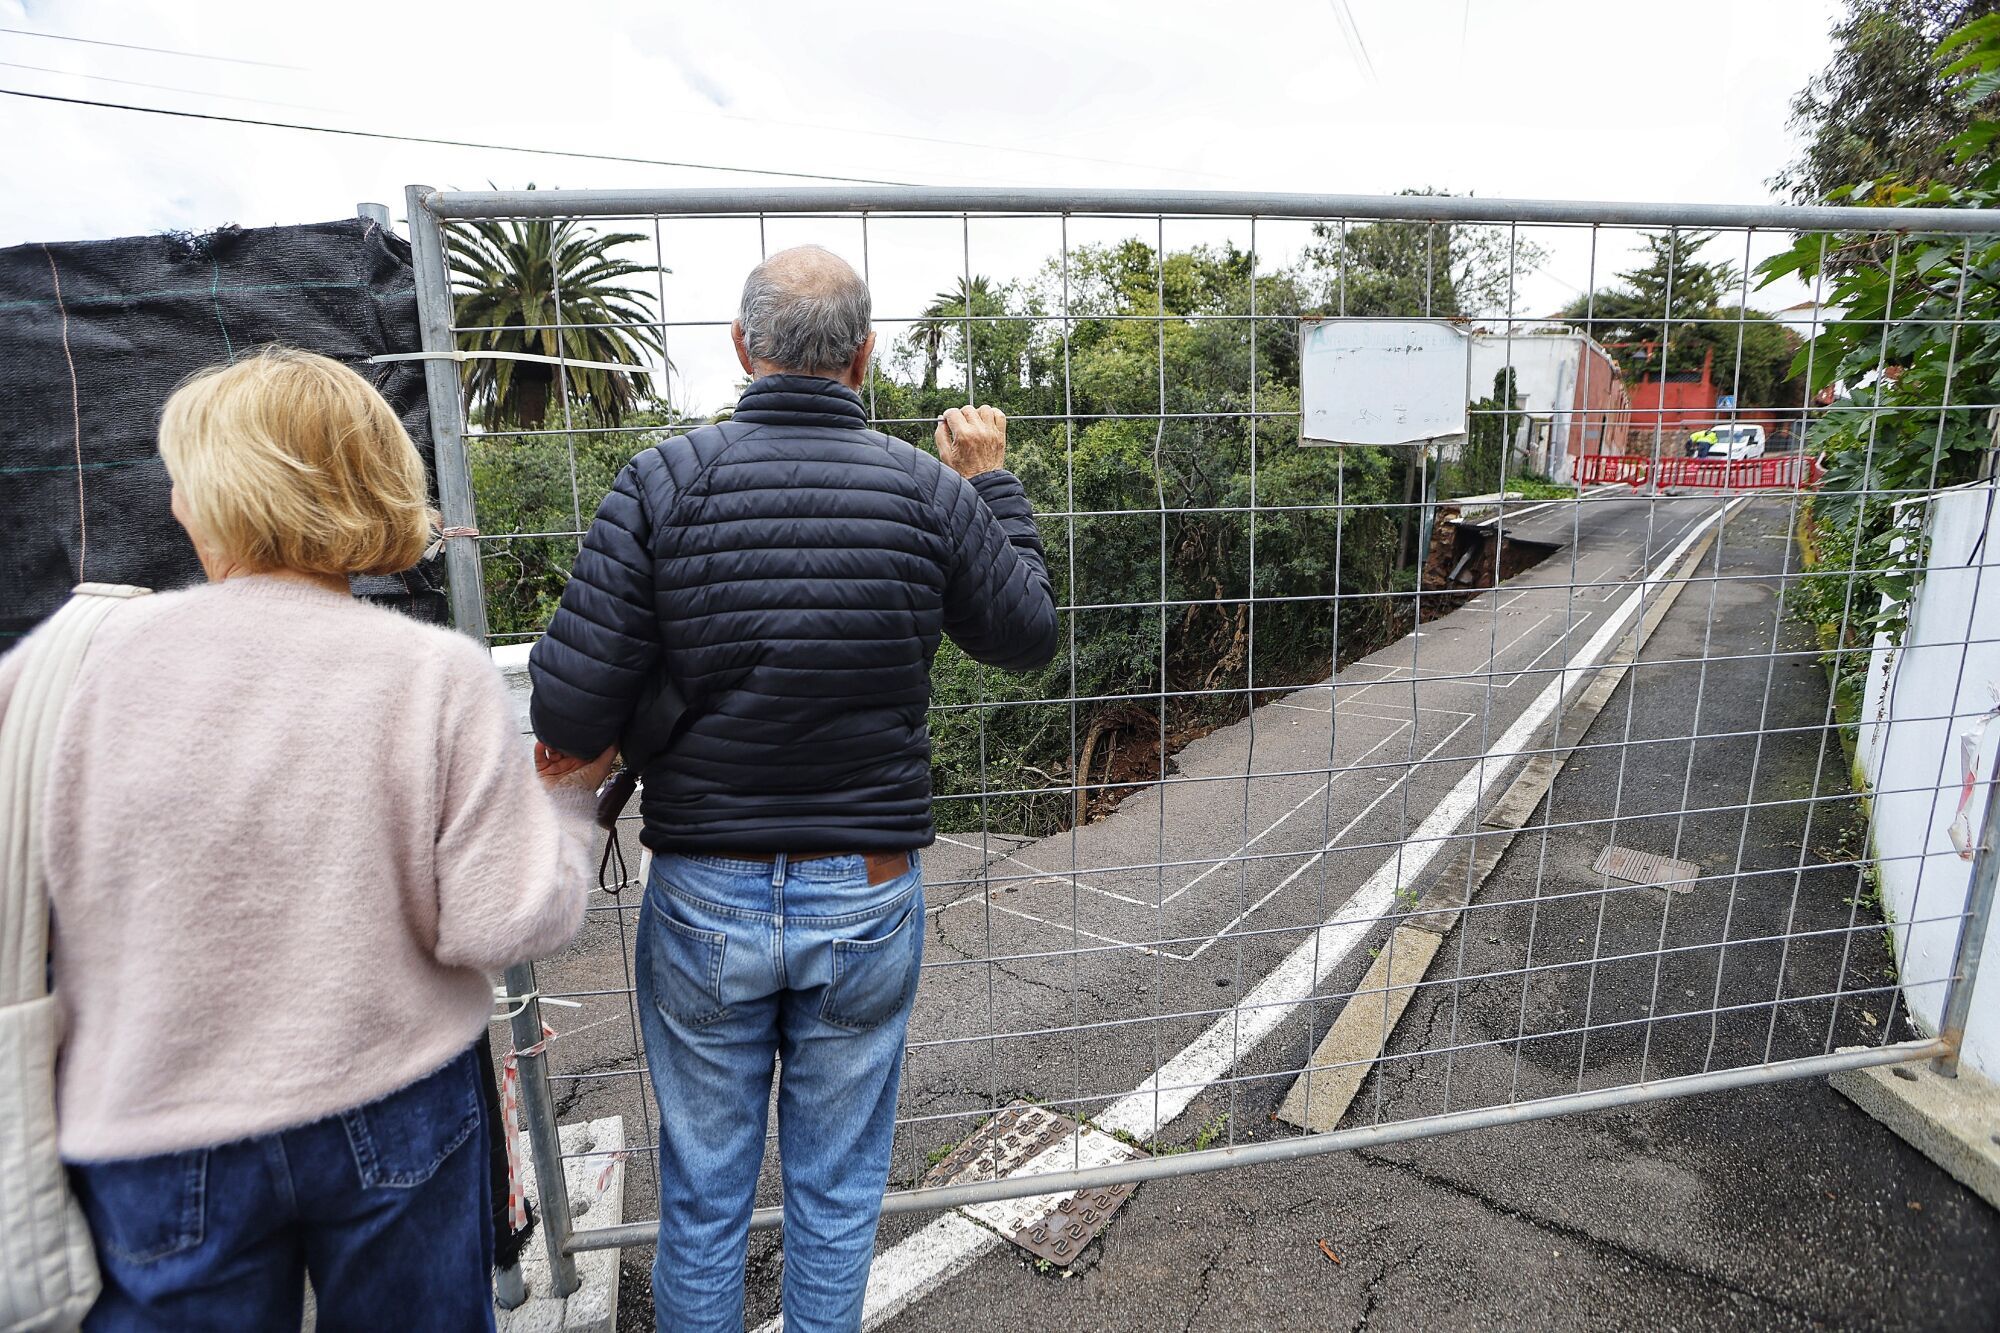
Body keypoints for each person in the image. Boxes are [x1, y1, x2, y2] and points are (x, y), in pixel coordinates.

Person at [0, 347, 606, 1329]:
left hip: (154, 1121)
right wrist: (569, 812)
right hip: (395, 1093)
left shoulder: (63, 673)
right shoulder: (431, 674)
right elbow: (501, 920)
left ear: (219, 493)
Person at [529, 244, 1059, 1332]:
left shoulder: (660, 482)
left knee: (702, 1194)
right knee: (836, 1191)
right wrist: (990, 482)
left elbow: (569, 716)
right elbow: (1025, 635)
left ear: (742, 347)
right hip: (865, 888)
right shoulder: (928, 490)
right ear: (863, 357)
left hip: (704, 890)